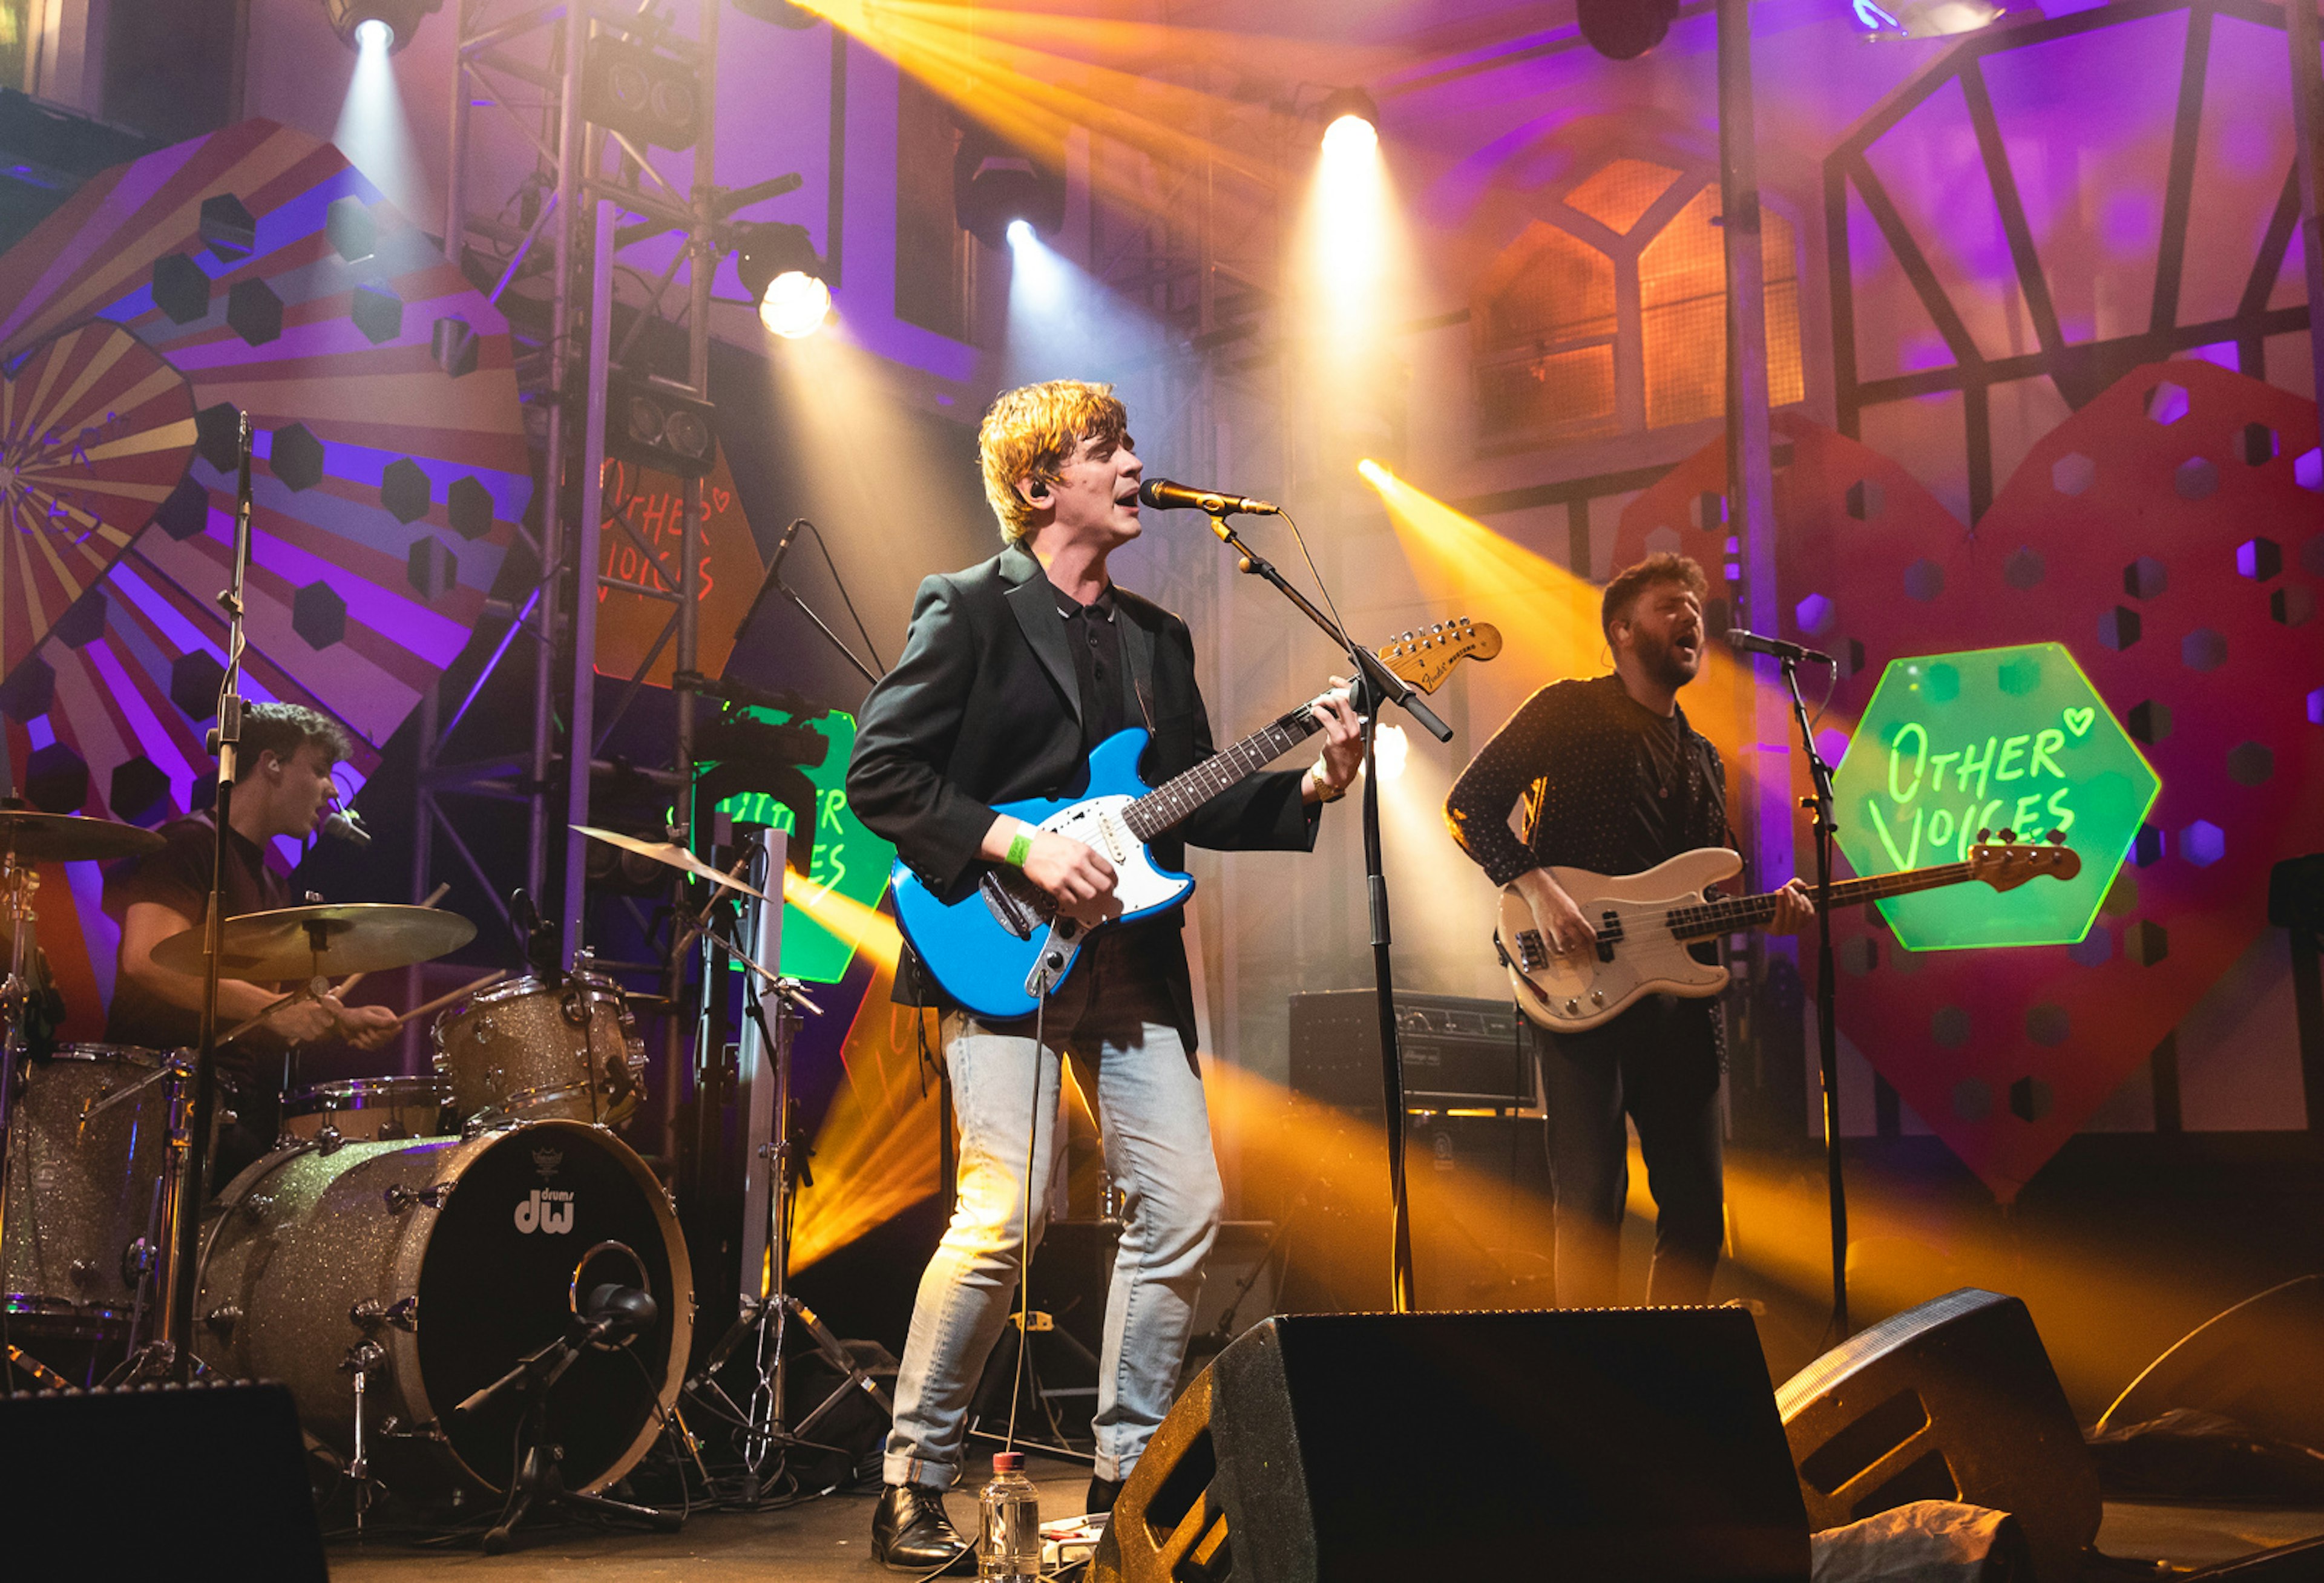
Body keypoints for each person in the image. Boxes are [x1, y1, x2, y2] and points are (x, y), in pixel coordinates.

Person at [847, 380, 1363, 1571]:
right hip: (993, 942)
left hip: (1128, 963)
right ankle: (913, 1481)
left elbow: (1190, 799)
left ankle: (1128, 1475)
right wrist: (1020, 842)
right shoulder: (970, 609)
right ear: (1041, 486)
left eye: (1130, 445)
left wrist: (1316, 785)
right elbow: (883, 776)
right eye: (1107, 449)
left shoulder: (1159, 641)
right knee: (1009, 1211)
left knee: (1180, 1210)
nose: (1136, 464)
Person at [1442, 551, 1811, 1310]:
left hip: (1681, 1008)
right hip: (1579, 992)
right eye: (1671, 605)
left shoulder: (1705, 758)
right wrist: (1538, 890)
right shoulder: (1568, 709)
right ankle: (1592, 1395)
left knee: (1699, 1219)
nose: (1691, 619)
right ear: (1622, 629)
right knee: (1590, 1209)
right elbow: (1469, 803)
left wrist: (1769, 913)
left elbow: (1702, 896)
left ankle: (1666, 1379)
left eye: (1696, 608)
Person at [103, 702, 399, 1185]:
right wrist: (276, 1009)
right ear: (271, 764)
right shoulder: (190, 845)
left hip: (230, 1106)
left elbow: (252, 1012)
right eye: (320, 770)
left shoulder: (272, 886)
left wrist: (339, 1020)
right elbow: (145, 960)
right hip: (157, 1102)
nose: (330, 790)